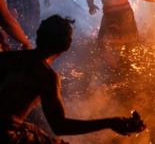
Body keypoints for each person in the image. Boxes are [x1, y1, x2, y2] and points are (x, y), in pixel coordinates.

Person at [0, 15, 146, 143]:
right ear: (66, 46)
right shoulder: (47, 77)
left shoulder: (7, 58)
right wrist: (109, 122)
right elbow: (59, 126)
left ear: (39, 34)